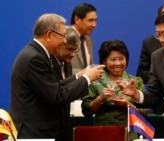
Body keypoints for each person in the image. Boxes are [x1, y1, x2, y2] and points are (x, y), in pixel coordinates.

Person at [10, 13, 105, 141]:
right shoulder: (34, 58)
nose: (65, 41)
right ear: (49, 35)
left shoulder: (36, 54)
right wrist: (87, 79)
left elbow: (55, 85)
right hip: (35, 134)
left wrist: (79, 76)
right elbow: (57, 95)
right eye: (63, 35)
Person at [81, 40, 148, 141]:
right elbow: (86, 111)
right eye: (112, 59)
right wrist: (100, 99)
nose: (118, 63)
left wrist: (127, 106)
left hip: (129, 136)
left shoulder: (135, 82)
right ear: (104, 61)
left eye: (121, 59)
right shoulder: (94, 80)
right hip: (102, 135)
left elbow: (144, 113)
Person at [70, 3, 97, 74]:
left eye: (95, 20)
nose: (94, 25)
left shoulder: (89, 40)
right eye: (90, 20)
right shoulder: (64, 37)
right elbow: (59, 69)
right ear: (77, 19)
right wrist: (85, 73)